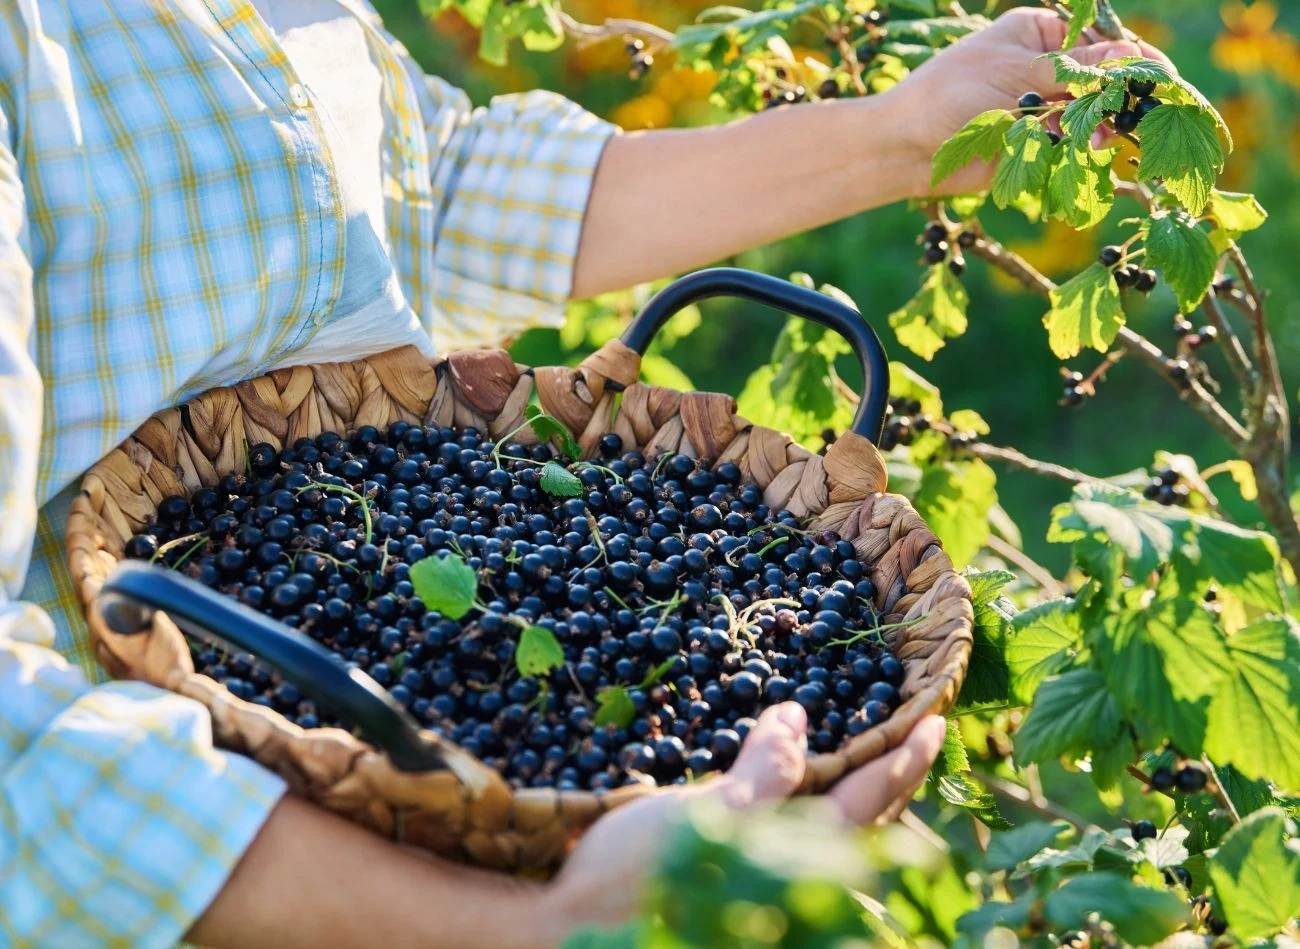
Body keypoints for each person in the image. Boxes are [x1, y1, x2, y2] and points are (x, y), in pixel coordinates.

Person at [0, 2, 1157, 945]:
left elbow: (426, 189)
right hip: (208, 864)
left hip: (385, 615)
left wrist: (906, 132)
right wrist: (531, 927)